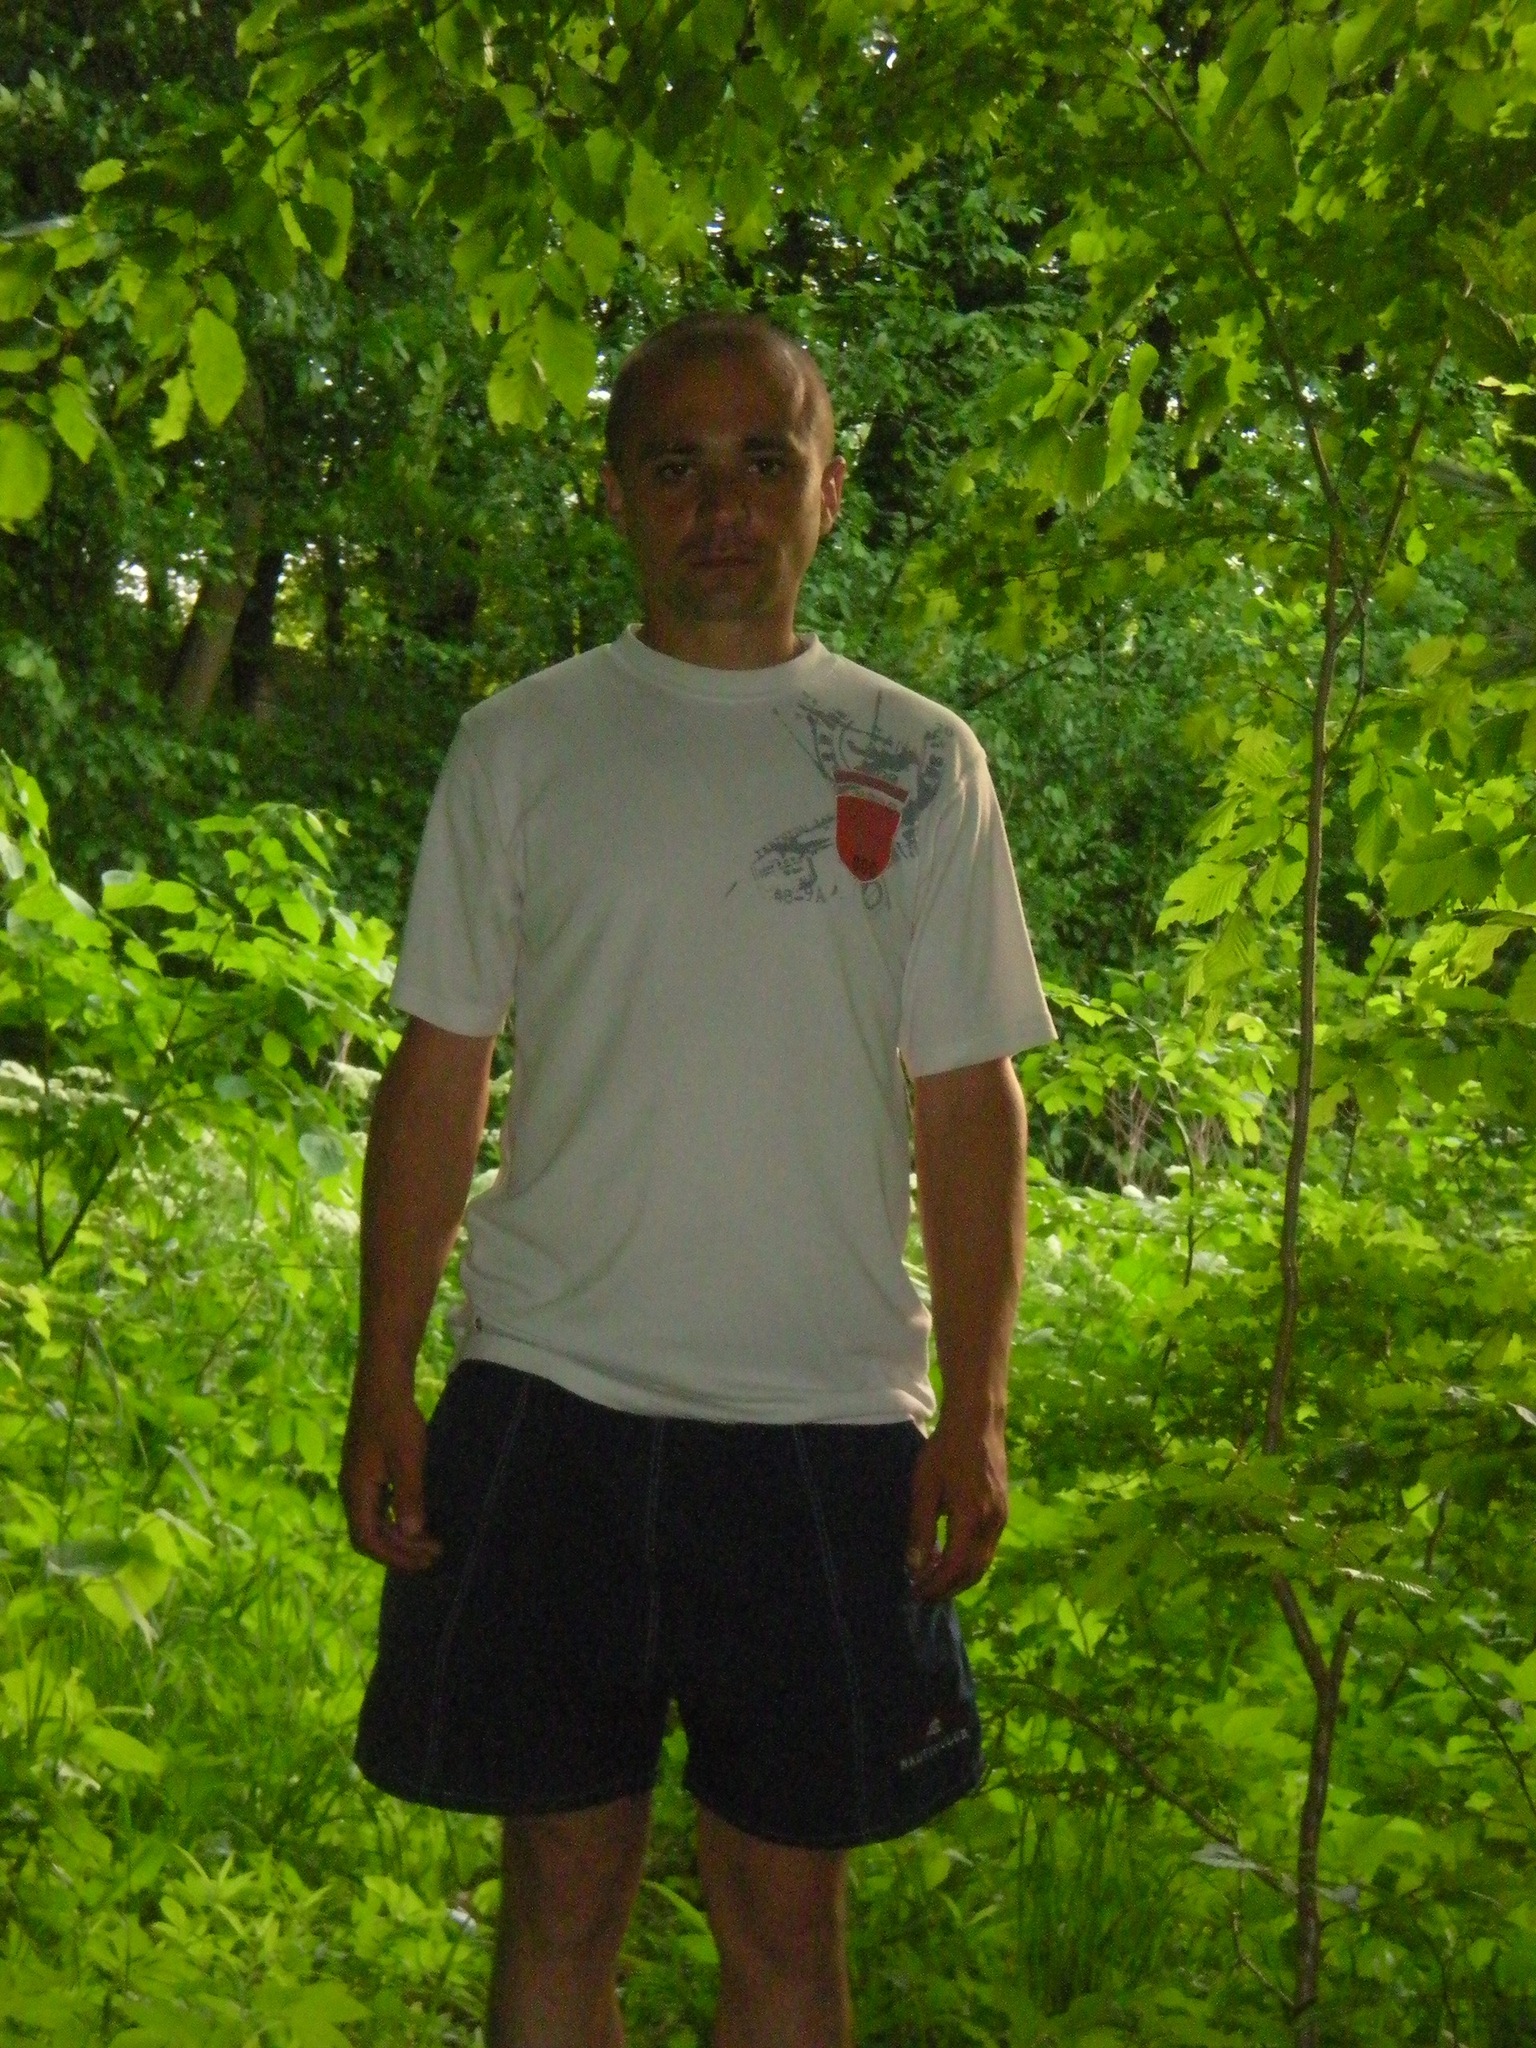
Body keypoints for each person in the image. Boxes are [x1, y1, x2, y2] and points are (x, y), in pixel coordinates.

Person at [340, 310, 1055, 2048]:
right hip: (550, 1402)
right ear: (614, 495)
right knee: (559, 1895)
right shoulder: (520, 747)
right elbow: (438, 1078)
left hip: (825, 1424)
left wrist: (976, 1410)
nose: (721, 504)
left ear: (829, 490)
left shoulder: (921, 760)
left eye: (762, 461)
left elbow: (972, 1105)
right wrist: (383, 1375)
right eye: (677, 465)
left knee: (787, 1925)